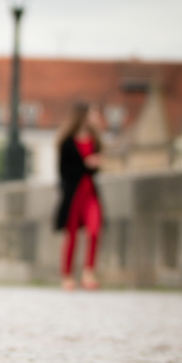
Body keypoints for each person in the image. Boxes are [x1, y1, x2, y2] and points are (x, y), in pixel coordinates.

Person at [54, 103, 104, 290]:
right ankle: (67, 276)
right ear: (82, 116)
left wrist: (95, 164)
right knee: (72, 235)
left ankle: (88, 273)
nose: (95, 116)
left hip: (90, 191)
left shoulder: (94, 140)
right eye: (92, 113)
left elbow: (96, 168)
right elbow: (64, 171)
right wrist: (86, 164)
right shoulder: (67, 142)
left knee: (94, 230)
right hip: (73, 193)